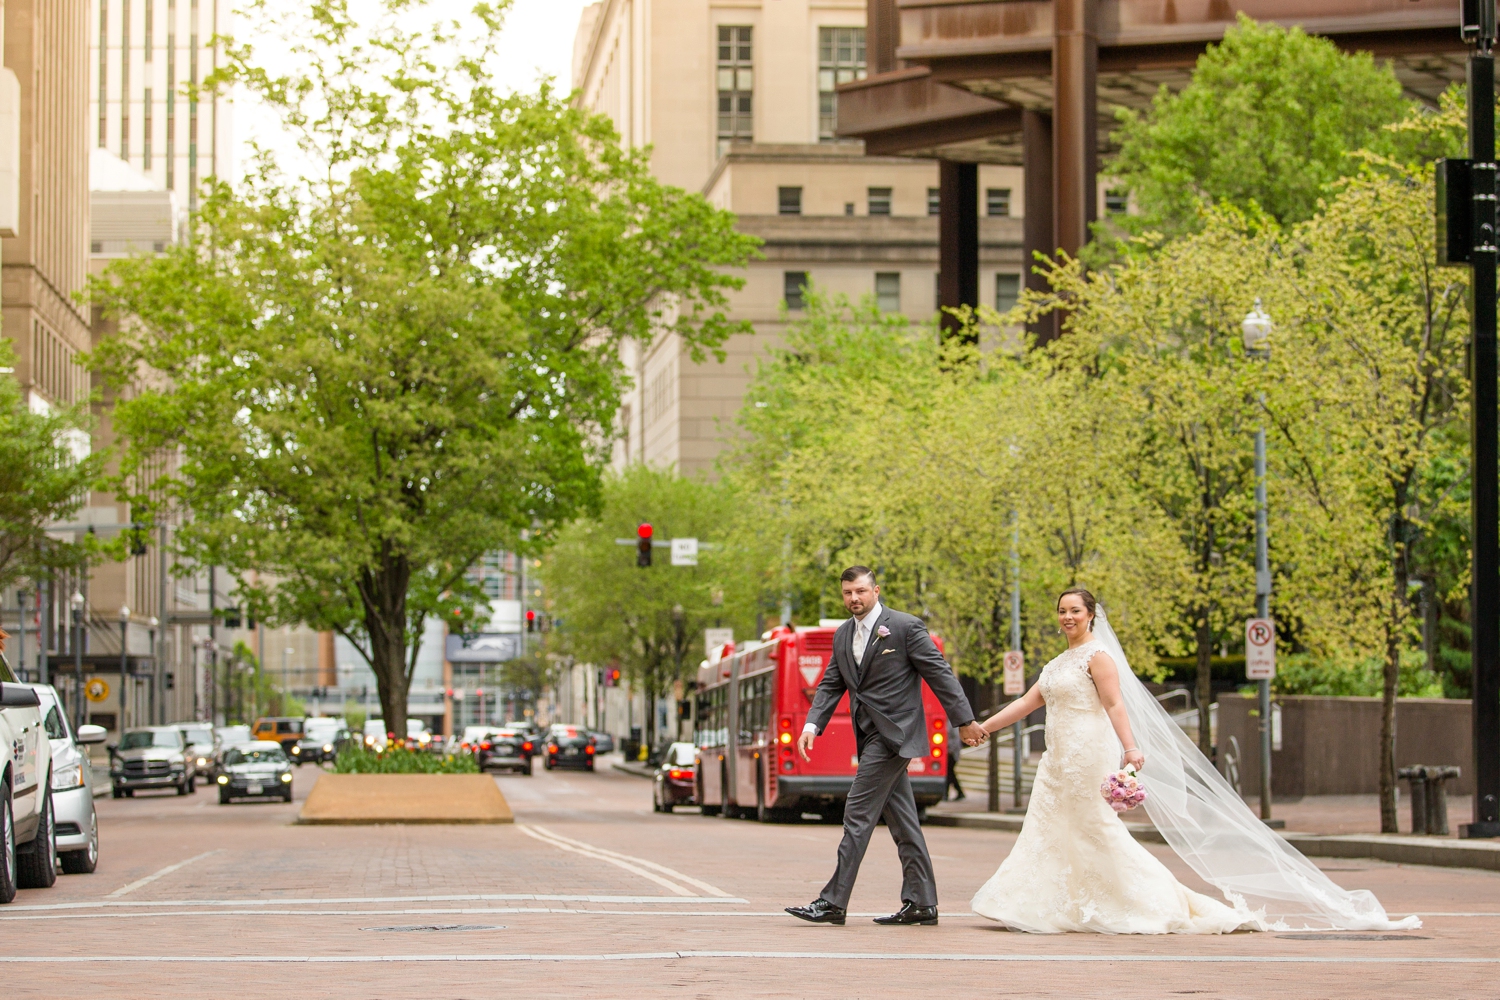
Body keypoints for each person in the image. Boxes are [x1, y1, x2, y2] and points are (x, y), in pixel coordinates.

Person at [969, 588, 1419, 934]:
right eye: (1062, 611)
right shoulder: (1056, 663)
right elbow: (1027, 703)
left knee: (1096, 828)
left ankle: (1154, 903)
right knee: (1051, 827)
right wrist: (983, 727)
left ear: (1091, 616)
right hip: (1057, 755)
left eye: (1076, 611)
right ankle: (1051, 903)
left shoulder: (1098, 658)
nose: (1067, 617)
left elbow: (1116, 706)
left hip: (1088, 751)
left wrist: (1130, 749)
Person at [786, 567, 987, 927]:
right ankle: (922, 903)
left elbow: (939, 673)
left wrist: (964, 720)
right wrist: (812, 725)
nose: (854, 599)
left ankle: (833, 901)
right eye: (848, 592)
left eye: (861, 591)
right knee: (904, 823)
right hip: (869, 736)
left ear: (876, 590)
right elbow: (832, 683)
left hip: (895, 736)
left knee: (857, 815)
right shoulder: (843, 635)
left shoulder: (906, 627)